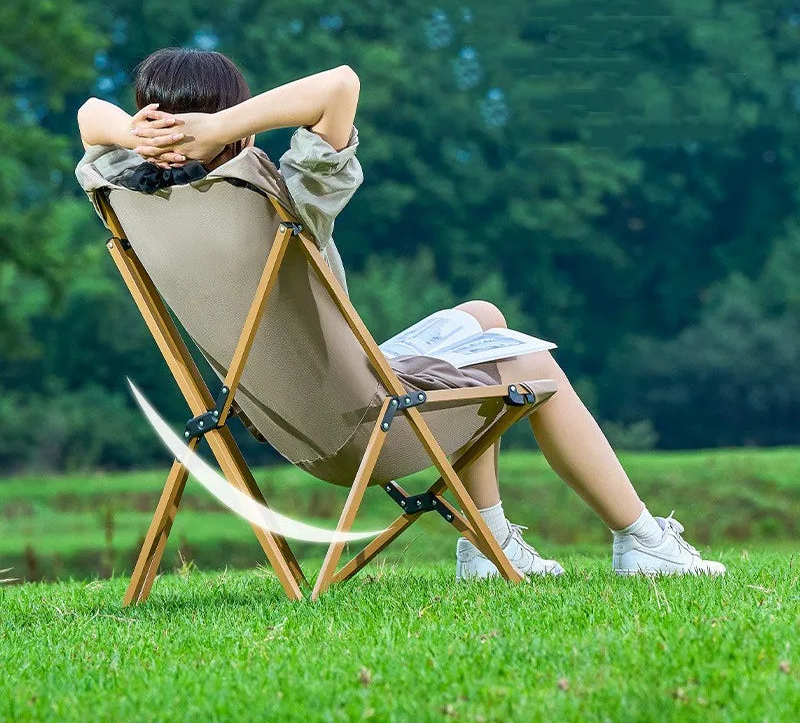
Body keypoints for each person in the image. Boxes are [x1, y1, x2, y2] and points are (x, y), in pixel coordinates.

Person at [76, 48, 726, 579]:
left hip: (287, 426)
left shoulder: (132, 198)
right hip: (363, 427)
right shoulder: (276, 197)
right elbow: (340, 85)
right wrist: (220, 130)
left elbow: (88, 116)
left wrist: (143, 135)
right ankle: (640, 540)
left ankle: (487, 544)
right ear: (241, 126)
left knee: (479, 317)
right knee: (523, 355)